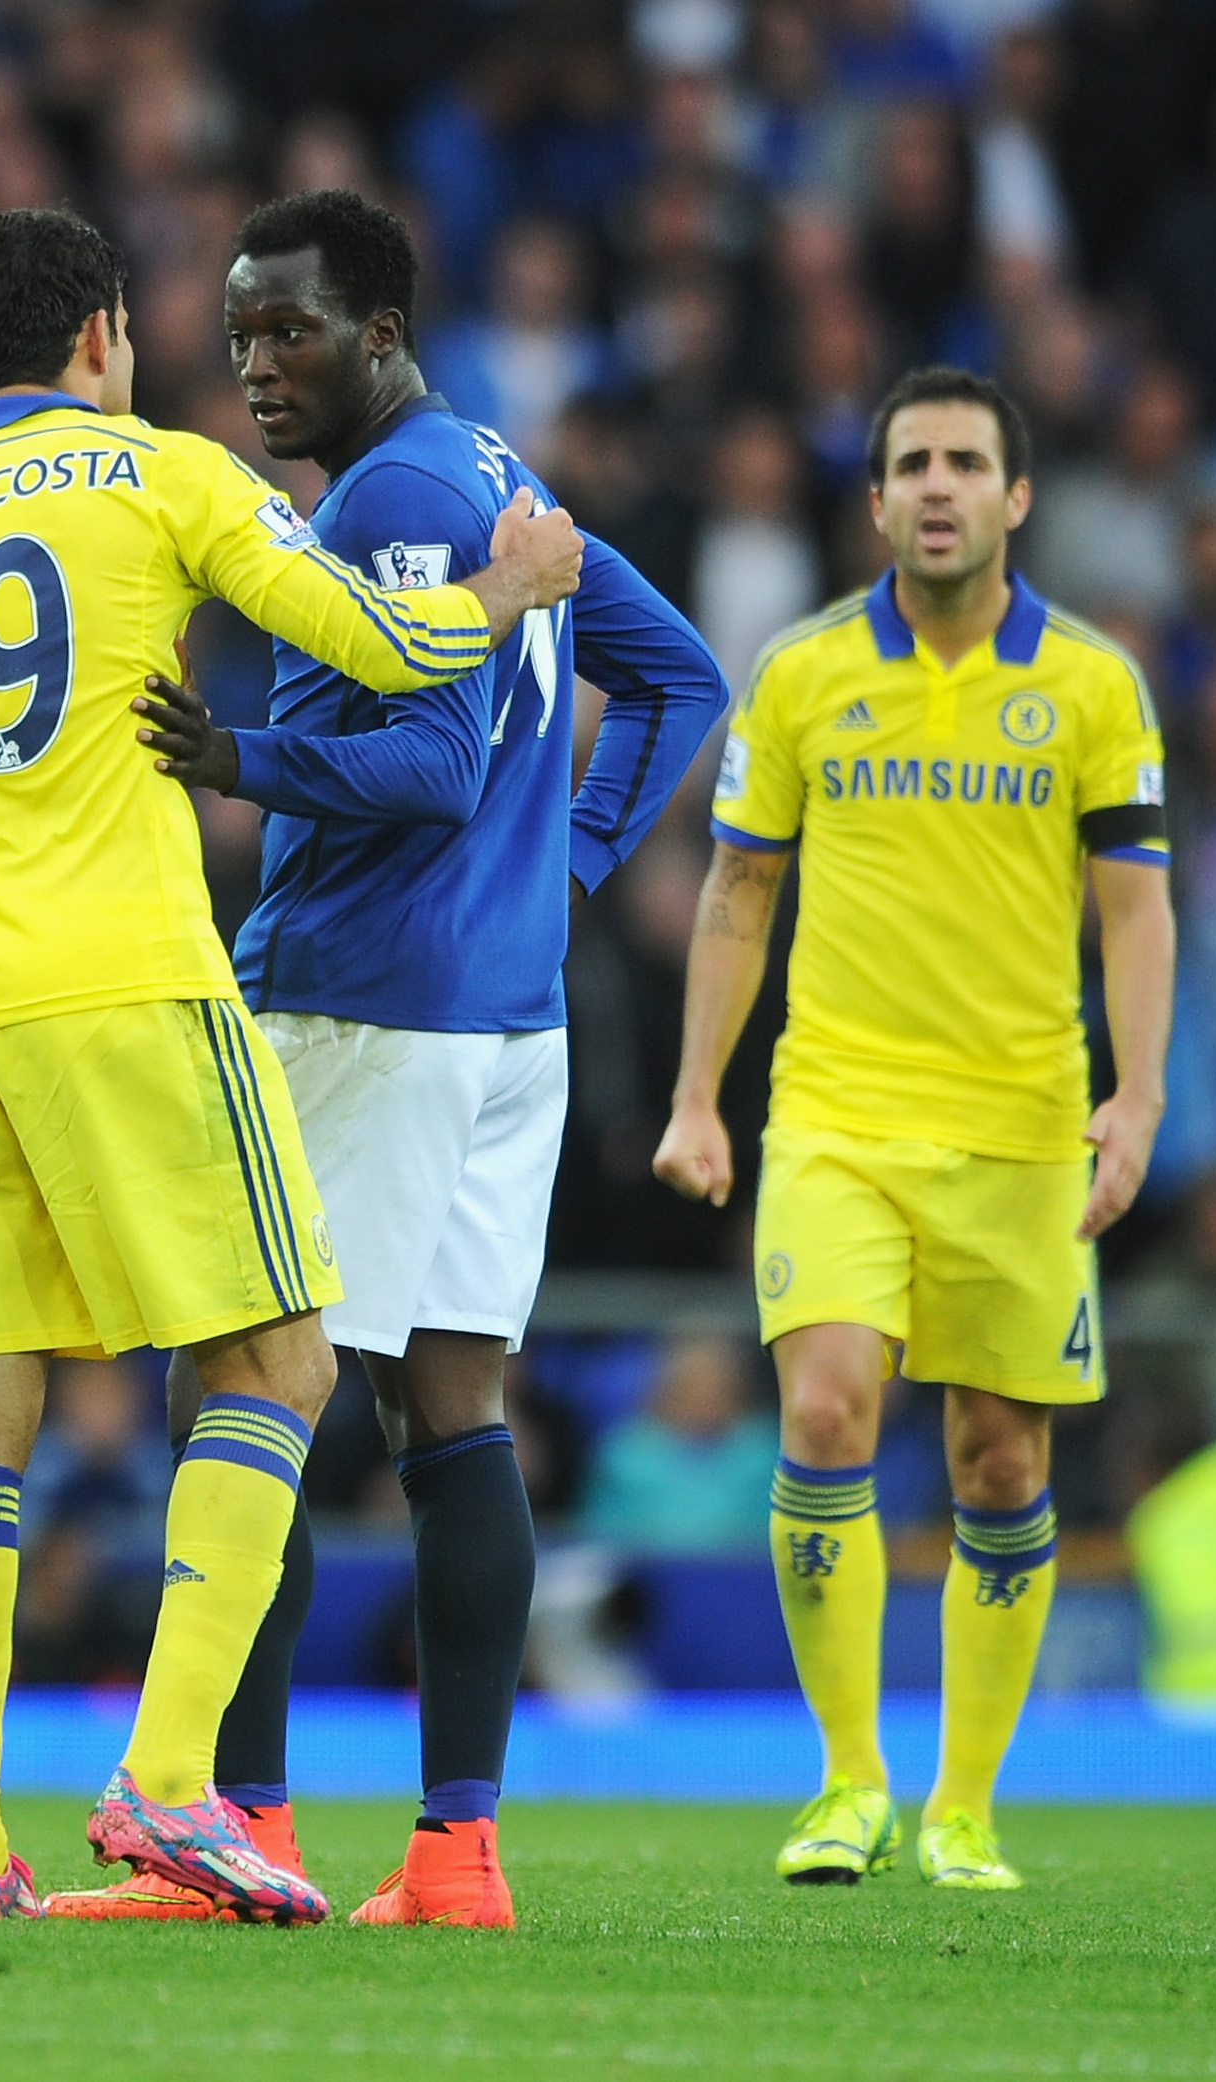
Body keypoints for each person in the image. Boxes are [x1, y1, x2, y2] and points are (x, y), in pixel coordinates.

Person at [0, 204, 581, 1923]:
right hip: (132, 982)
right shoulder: (160, 475)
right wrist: (510, 584)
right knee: (283, 1364)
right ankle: (171, 1782)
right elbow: (386, 650)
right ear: (100, 332)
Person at [55, 188, 728, 1929]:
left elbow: (431, 762)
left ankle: (238, 1831)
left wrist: (240, 758)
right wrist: (562, 873)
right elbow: (675, 678)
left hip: (368, 1003)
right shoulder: (496, 473)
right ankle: (456, 1855)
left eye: (290, 327)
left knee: (245, 1392)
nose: (256, 361)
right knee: (450, 1413)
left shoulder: (403, 496)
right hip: (502, 1018)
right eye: (240, 329)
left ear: (382, 329)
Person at [653, 366, 1177, 1891]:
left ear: (1017, 497)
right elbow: (740, 894)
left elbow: (1136, 913)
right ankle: (849, 1780)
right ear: (874, 499)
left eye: (967, 462)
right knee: (824, 1414)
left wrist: (1134, 1098)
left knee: (1001, 1460)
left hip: (1023, 1128)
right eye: (911, 463)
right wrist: (699, 1095)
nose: (938, 485)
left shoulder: (1091, 684)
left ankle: (963, 1803)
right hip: (839, 1114)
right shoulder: (804, 671)